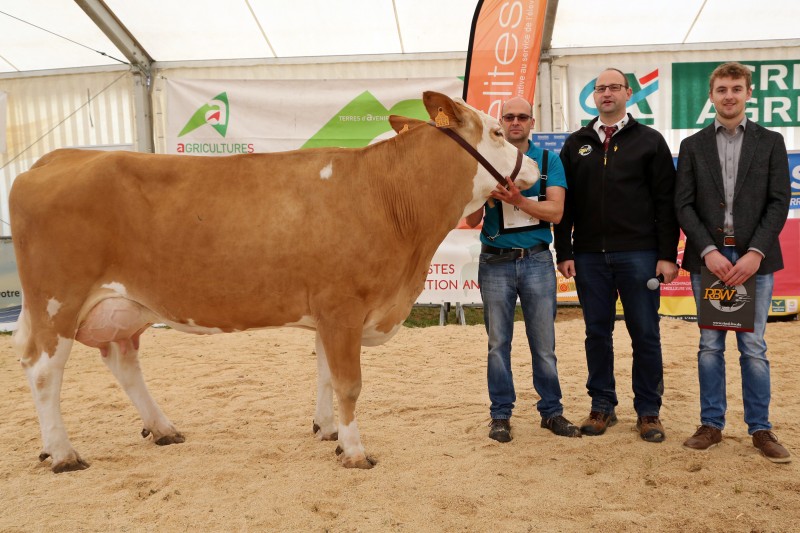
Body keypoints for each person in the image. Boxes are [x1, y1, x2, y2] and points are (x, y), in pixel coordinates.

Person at [554, 68, 680, 443]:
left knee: (645, 333)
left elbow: (665, 203)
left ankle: (648, 412)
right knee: (596, 333)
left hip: (640, 254)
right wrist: (565, 250)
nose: (607, 93)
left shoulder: (650, 141)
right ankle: (602, 406)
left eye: (614, 87)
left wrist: (666, 255)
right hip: (590, 256)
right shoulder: (576, 143)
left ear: (628, 93)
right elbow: (564, 203)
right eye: (600, 88)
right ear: (594, 97)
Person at [675, 62, 791, 463]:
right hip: (708, 258)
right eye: (721, 89)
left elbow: (779, 202)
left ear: (748, 93)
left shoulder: (772, 141)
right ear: (711, 96)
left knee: (753, 346)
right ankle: (711, 425)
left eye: (736, 88)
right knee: (710, 345)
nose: (729, 95)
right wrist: (707, 251)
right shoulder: (692, 145)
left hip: (753, 260)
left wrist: (755, 253)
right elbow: (683, 204)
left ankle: (760, 429)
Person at [466, 96, 580, 442]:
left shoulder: (548, 161)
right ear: (500, 124)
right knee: (498, 343)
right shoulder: (484, 162)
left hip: (536, 260)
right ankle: (500, 415)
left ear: (532, 122)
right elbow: (471, 219)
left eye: (522, 117)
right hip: (495, 261)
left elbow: (557, 213)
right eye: (509, 117)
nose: (516, 122)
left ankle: (552, 412)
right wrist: (483, 192)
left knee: (543, 344)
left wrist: (519, 201)